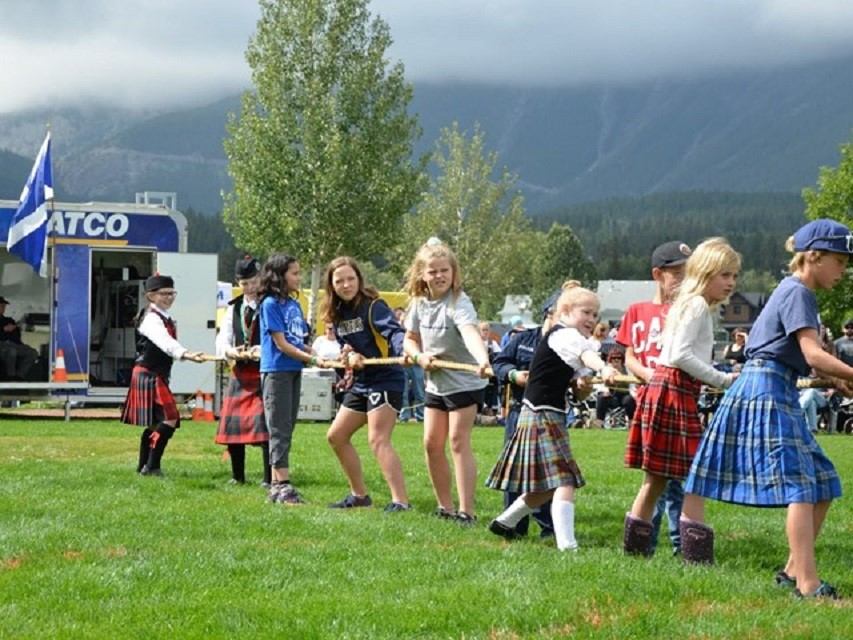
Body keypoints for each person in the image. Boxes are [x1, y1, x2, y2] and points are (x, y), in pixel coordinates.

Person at [682, 220, 853, 599]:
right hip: (768, 390)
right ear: (814, 257)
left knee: (823, 482)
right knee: (801, 486)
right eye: (840, 262)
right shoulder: (799, 292)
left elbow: (799, 355)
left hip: (775, 385)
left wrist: (840, 379)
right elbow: (812, 353)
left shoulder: (794, 291)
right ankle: (808, 586)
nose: (844, 271)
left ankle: (793, 572)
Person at [623, 238, 740, 557]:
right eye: (724, 275)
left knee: (656, 481)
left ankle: (635, 554)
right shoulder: (697, 305)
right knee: (693, 476)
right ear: (704, 273)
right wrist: (724, 379)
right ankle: (695, 556)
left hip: (667, 388)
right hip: (674, 388)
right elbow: (680, 355)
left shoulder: (687, 303)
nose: (731, 283)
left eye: (734, 276)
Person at [486, 285, 617, 551]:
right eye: (587, 312)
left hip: (549, 413)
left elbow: (578, 373)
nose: (592, 319)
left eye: (596, 314)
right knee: (564, 480)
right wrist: (603, 366)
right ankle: (567, 546)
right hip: (540, 413)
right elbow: (586, 356)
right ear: (566, 311)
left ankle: (504, 521)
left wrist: (583, 380)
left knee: (546, 486)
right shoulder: (565, 335)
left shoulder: (571, 338)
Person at [403, 238, 491, 524]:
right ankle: (446, 507)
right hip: (435, 381)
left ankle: (467, 512)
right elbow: (410, 340)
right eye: (433, 271)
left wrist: (482, 360)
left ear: (453, 273)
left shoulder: (459, 302)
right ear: (422, 274)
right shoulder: (418, 303)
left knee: (457, 439)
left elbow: (469, 332)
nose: (439, 276)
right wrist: (418, 357)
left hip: (465, 380)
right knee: (431, 442)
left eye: (444, 270)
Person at [615, 239, 691, 555]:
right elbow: (628, 355)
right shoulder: (637, 311)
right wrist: (650, 376)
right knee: (655, 475)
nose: (684, 281)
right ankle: (645, 542)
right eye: (678, 274)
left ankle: (681, 544)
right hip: (651, 399)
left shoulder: (689, 310)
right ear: (658, 274)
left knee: (680, 480)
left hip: (679, 399)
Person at [321, 256, 411, 512]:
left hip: (386, 377)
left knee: (378, 439)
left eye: (351, 279)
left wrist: (403, 351)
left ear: (359, 280)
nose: (346, 284)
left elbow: (394, 333)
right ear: (332, 285)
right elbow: (345, 345)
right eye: (340, 281)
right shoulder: (337, 314)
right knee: (336, 436)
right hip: (361, 382)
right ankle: (359, 496)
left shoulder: (374, 306)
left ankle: (400, 502)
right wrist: (349, 355)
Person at [490, 290, 563, 538]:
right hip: (518, 413)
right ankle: (513, 527)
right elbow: (499, 362)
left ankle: (550, 528)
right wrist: (513, 375)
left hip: (550, 415)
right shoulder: (523, 339)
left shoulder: (569, 343)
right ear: (548, 313)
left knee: (550, 473)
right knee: (516, 472)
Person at [259, 253, 329, 505]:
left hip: (293, 371)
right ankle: (281, 485)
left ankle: (279, 484)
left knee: (287, 427)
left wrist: (316, 353)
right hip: (276, 371)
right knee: (278, 428)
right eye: (295, 273)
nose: (299, 278)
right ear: (279, 276)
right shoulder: (269, 304)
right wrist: (311, 360)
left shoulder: (293, 305)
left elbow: (298, 341)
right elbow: (281, 344)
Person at [120, 274, 205, 476]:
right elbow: (164, 342)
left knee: (155, 423)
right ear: (151, 295)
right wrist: (186, 354)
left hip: (153, 373)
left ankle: (143, 466)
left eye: (171, 293)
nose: (169, 298)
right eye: (164, 294)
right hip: (148, 373)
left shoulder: (163, 317)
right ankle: (152, 467)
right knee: (170, 418)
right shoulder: (151, 318)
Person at [214, 256, 271, 487]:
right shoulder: (234, 308)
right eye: (244, 283)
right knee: (234, 429)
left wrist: (259, 350)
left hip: (264, 371)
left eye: (253, 281)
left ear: (261, 279)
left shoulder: (270, 304)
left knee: (267, 427)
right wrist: (230, 351)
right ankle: (238, 476)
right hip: (240, 373)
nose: (249, 288)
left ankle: (269, 478)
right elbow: (222, 339)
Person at [592, 347, 635, 428]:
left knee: (629, 399)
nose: (616, 360)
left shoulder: (628, 369)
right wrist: (605, 390)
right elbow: (598, 384)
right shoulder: (604, 369)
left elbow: (632, 385)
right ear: (610, 359)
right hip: (610, 396)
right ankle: (599, 423)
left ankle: (631, 423)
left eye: (619, 358)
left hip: (624, 395)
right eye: (613, 358)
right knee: (602, 397)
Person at [395, 307, 425, 422]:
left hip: (417, 364)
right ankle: (404, 416)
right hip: (402, 364)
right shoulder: (397, 332)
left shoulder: (417, 331)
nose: (403, 322)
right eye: (401, 320)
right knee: (403, 392)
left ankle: (421, 416)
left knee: (419, 391)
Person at [0, 295, 38, 380]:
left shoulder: (9, 320)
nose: (3, 308)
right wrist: (3, 329)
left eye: (4, 306)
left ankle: (19, 377)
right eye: (1, 305)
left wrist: (14, 329)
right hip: (2, 345)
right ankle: (10, 378)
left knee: (32, 352)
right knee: (11, 351)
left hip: (14, 344)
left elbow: (17, 335)